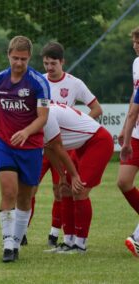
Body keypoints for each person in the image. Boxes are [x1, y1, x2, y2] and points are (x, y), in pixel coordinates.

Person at [30, 41, 103, 248]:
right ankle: (22, 232)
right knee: (30, 187)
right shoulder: (39, 83)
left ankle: (56, 233)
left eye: (53, 63)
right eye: (45, 63)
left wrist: (79, 124)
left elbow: (97, 109)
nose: (49, 68)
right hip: (42, 145)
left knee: (61, 188)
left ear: (62, 62)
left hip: (64, 146)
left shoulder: (74, 83)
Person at [0, 35, 50, 262]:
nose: (19, 63)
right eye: (15, 58)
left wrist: (26, 132)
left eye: (23, 59)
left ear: (29, 58)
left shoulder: (38, 83)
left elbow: (43, 117)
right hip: (5, 144)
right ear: (8, 55)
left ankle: (17, 240)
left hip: (31, 146)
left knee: (25, 198)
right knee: (8, 192)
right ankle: (8, 244)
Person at [44, 103, 113, 253]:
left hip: (98, 141)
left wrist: (74, 175)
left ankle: (80, 244)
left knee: (79, 190)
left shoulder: (45, 114)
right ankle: (69, 242)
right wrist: (62, 175)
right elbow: (47, 149)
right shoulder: (36, 112)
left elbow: (58, 147)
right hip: (81, 145)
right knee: (66, 190)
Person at [118, 27, 139, 258]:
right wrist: (126, 129)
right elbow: (134, 98)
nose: (135, 46)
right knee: (124, 182)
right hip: (136, 134)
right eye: (134, 42)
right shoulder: (136, 63)